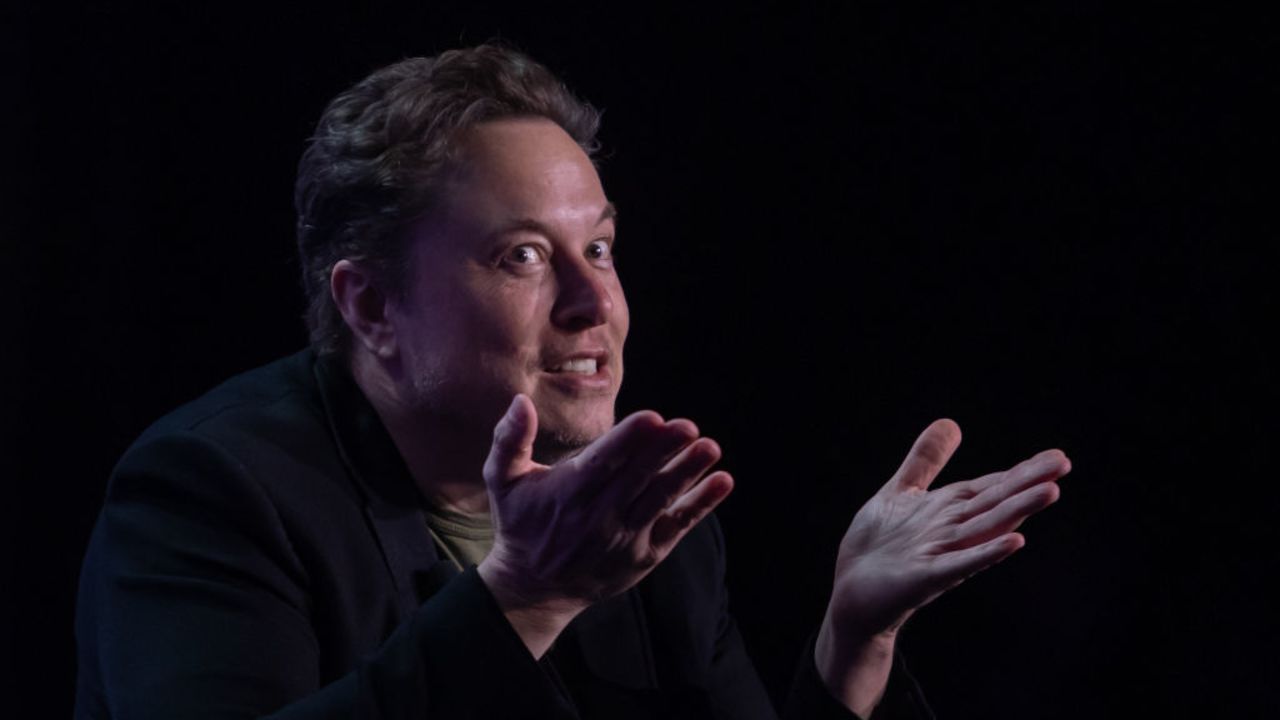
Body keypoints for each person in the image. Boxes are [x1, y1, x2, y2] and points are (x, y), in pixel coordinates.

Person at [75, 43, 1071, 719]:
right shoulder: (207, 492)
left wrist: (855, 636)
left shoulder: (646, 511)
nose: (594, 304)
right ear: (371, 307)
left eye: (597, 247)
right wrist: (523, 594)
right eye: (519, 256)